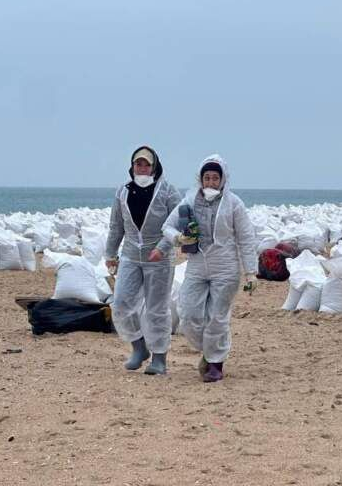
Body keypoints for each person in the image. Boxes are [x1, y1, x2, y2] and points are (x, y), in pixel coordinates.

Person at [164, 155, 258, 383]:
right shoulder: (188, 201)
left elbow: (246, 238)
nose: (211, 182)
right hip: (196, 265)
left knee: (217, 317)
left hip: (225, 267)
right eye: (207, 178)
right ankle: (208, 351)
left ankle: (215, 363)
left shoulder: (234, 203)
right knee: (188, 314)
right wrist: (179, 238)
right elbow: (167, 226)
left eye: (215, 178)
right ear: (200, 179)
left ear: (223, 180)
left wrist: (251, 272)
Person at [105, 146, 183, 375]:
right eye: (138, 164)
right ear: (132, 166)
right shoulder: (122, 192)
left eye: (146, 164)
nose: (142, 168)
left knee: (156, 309)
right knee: (120, 304)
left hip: (158, 258)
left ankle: (159, 358)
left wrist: (162, 247)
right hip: (130, 255)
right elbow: (116, 226)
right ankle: (139, 348)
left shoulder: (168, 192)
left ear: (154, 166)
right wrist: (110, 254)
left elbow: (177, 224)